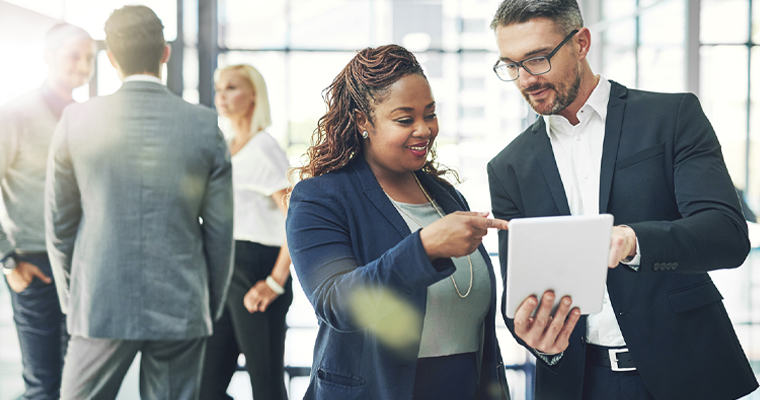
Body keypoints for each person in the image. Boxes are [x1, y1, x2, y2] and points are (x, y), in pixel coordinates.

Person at [486, 1, 758, 399]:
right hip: (578, 385)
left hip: (686, 374)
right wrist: (533, 336)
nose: (526, 80)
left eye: (538, 59)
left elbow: (727, 235)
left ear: (581, 43)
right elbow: (522, 293)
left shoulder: (672, 117)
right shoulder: (508, 167)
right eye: (511, 65)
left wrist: (633, 241)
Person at [286, 44, 511, 400]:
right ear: (363, 121)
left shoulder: (446, 196)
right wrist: (425, 246)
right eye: (405, 119)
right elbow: (337, 303)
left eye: (430, 114)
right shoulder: (320, 198)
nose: (424, 130)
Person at [44, 5, 234, 399]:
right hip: (181, 301)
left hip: (99, 298)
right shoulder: (203, 125)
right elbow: (219, 232)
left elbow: (60, 226)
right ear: (165, 52)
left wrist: (74, 298)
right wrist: (207, 304)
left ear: (110, 58)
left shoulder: (76, 121)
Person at [0, 22, 94, 400]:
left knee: (78, 385)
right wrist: (7, 260)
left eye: (89, 57)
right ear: (47, 57)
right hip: (33, 264)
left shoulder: (89, 116)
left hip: (82, 265)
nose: (83, 65)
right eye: (74, 55)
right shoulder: (15, 114)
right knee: (43, 386)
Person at [199, 64, 293, 400]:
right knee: (204, 389)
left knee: (266, 387)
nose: (221, 95)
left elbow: (296, 220)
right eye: (218, 87)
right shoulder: (226, 147)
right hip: (226, 268)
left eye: (232, 88)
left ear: (253, 95)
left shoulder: (264, 148)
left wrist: (274, 282)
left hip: (257, 266)